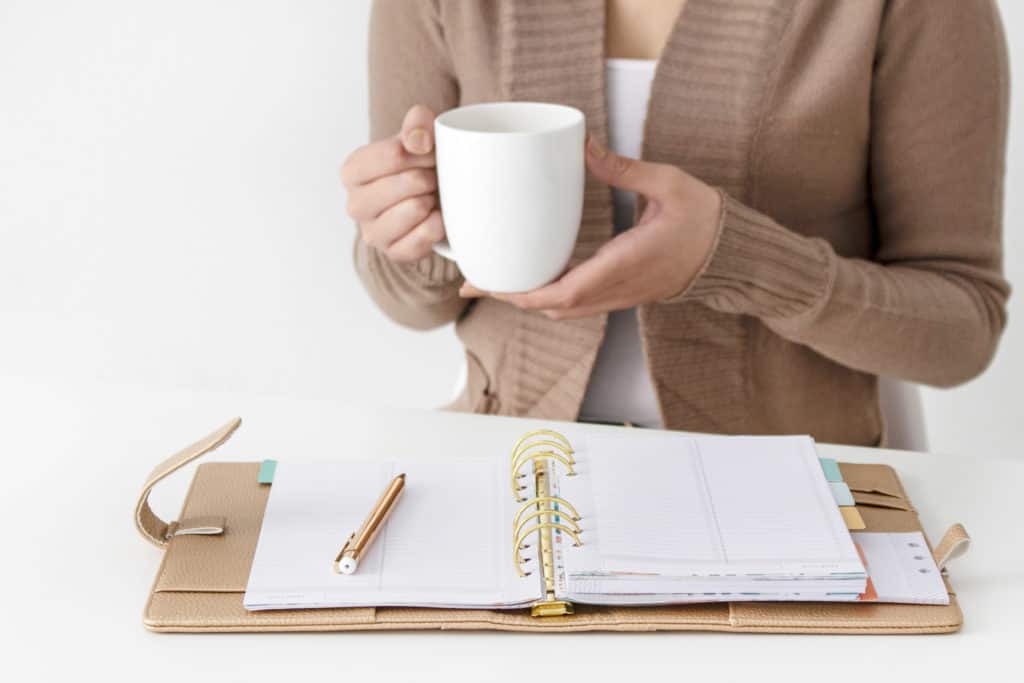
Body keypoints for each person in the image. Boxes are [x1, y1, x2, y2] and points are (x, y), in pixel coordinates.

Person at [341, 0, 1010, 446]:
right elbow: (410, 301)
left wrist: (735, 260)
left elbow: (962, 327)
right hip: (511, 476)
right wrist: (414, 230)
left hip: (792, 501)